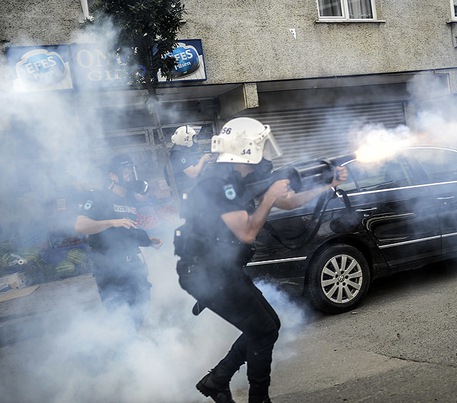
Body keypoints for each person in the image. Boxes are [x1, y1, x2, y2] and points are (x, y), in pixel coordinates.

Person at [174, 117, 347, 403]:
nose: (266, 152)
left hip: (222, 269)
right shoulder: (216, 184)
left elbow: (290, 201)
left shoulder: (240, 179)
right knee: (263, 330)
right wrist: (268, 198)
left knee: (268, 326)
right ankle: (256, 397)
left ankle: (217, 379)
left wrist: (327, 183)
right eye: (261, 145)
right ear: (246, 149)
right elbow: (247, 232)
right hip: (203, 273)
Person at [75, 154, 162, 328]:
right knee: (119, 312)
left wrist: (147, 240)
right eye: (125, 170)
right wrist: (110, 222)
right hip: (109, 267)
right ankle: (114, 344)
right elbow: (80, 226)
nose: (130, 174)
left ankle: (135, 344)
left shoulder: (130, 199)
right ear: (113, 175)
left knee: (142, 302)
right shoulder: (98, 197)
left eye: (131, 170)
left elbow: (126, 230)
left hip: (132, 264)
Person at [166, 125, 215, 198]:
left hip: (185, 189)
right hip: (184, 193)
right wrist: (203, 159)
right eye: (193, 138)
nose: (195, 141)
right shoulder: (179, 155)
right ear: (186, 139)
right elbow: (193, 174)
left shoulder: (179, 152)